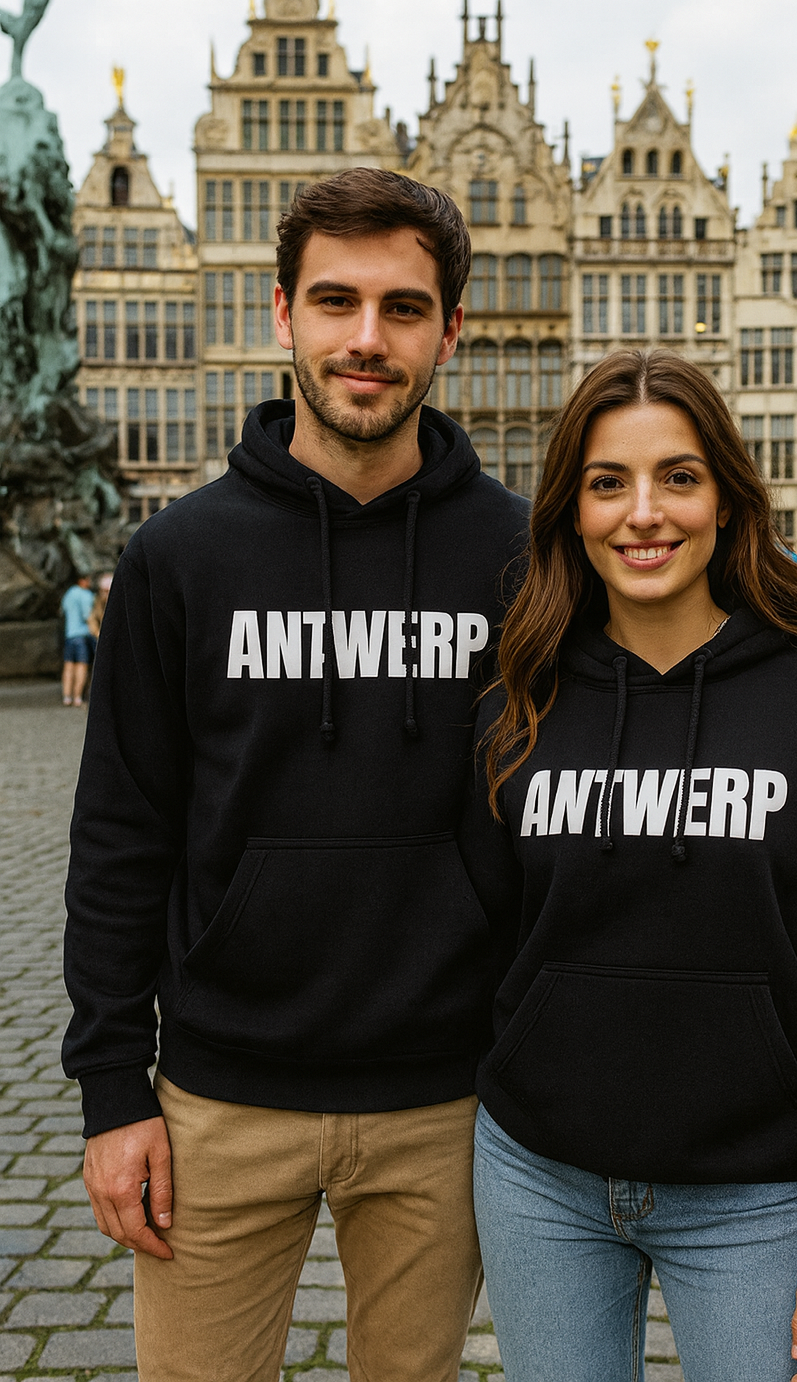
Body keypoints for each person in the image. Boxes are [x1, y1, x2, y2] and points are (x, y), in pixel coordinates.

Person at [62, 168, 530, 1382]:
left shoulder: (523, 557)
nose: (366, 339)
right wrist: (112, 1088)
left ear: (450, 330)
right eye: (335, 301)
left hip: (447, 1104)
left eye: (402, 308)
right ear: (282, 313)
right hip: (218, 1101)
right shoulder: (177, 556)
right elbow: (120, 832)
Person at [462, 350, 797, 1382]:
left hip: (756, 1195)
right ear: (570, 510)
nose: (644, 514)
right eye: (608, 482)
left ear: (726, 497)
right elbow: (484, 942)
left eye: (677, 477)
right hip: (539, 1182)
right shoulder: (514, 707)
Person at [60, 572, 95, 707]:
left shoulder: (69, 593)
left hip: (69, 635)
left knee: (68, 666)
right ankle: (77, 697)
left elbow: (63, 610)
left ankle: (66, 696)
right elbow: (88, 615)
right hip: (82, 635)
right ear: (82, 581)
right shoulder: (86, 595)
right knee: (81, 665)